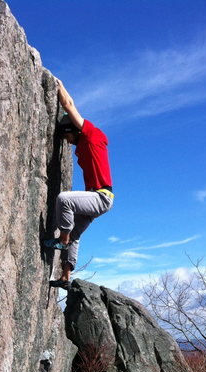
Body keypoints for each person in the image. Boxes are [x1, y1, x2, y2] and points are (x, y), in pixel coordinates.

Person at [45, 79, 114, 289]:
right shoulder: (84, 144)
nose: (66, 141)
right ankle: (66, 276)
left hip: (100, 197)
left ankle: (61, 239)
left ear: (74, 130)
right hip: (97, 200)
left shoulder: (91, 135)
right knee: (75, 236)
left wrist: (59, 85)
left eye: (67, 135)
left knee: (64, 199)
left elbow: (69, 105)